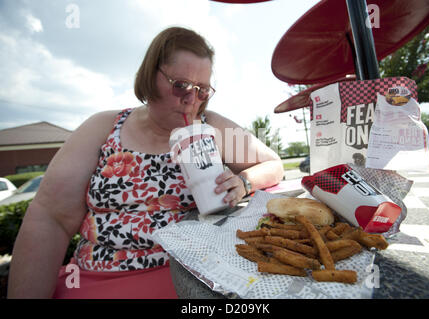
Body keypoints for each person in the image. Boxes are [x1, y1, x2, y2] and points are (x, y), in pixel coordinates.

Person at [7, 26, 284, 299]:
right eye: (181, 86)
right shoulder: (103, 127)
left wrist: (244, 182)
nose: (191, 100)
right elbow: (51, 219)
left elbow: (274, 165)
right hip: (98, 276)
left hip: (193, 274)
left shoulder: (213, 128)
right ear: (151, 77)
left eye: (202, 91)